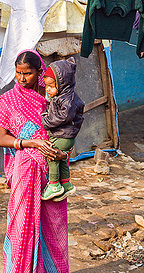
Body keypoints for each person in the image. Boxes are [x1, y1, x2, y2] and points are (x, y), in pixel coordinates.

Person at [0, 50, 72, 273]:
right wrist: (30, 142)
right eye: (18, 73)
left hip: (51, 171)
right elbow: (2, 139)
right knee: (20, 225)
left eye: (28, 73)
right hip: (24, 169)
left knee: (53, 225)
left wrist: (60, 149)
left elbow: (68, 130)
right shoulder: (8, 100)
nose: (22, 78)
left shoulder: (52, 99)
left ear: (39, 72)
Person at [41, 57, 84, 201]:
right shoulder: (62, 96)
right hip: (66, 136)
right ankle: (66, 184)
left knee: (52, 156)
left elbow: (63, 117)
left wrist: (46, 121)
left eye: (51, 86)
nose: (48, 89)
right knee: (61, 160)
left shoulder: (67, 100)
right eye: (46, 86)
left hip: (62, 136)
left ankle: (54, 185)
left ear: (62, 84)